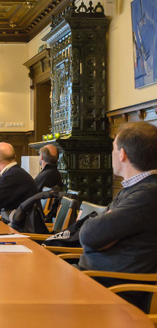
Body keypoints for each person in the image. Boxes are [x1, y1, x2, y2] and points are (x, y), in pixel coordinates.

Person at [79, 122, 157, 309]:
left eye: (113, 149)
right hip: (97, 281)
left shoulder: (147, 194)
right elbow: (98, 234)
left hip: (116, 292)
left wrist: (101, 231)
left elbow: (88, 234)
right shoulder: (135, 189)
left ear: (122, 154)